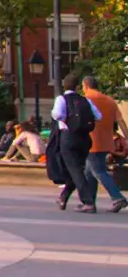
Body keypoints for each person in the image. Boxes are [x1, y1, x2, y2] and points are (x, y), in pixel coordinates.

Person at [51, 71, 101, 212]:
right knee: (76, 169)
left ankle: (88, 202)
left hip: (68, 136)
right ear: (77, 86)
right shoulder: (85, 100)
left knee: (75, 170)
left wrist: (68, 120)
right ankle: (64, 196)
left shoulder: (61, 99)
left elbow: (57, 114)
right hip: (84, 138)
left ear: (64, 85)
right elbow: (99, 116)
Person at [79, 74, 127, 212]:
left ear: (86, 86)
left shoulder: (85, 100)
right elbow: (120, 121)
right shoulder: (109, 100)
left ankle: (118, 198)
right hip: (106, 141)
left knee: (98, 170)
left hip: (91, 140)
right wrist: (127, 137)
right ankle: (90, 202)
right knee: (89, 171)